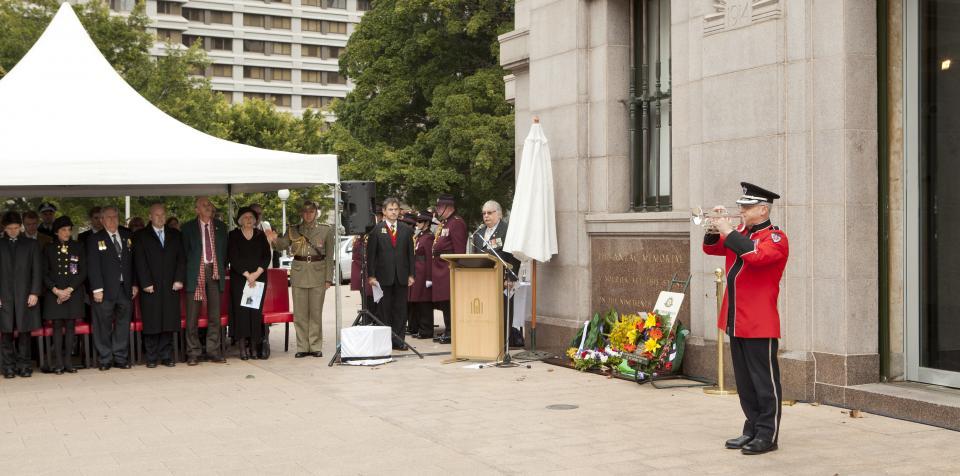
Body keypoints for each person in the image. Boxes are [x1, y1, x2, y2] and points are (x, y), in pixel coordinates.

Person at [703, 182, 789, 456]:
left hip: (759, 320)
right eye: (741, 205)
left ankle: (768, 434)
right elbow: (712, 249)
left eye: (747, 206)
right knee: (744, 381)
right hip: (735, 318)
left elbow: (755, 256)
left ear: (763, 210)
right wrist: (714, 228)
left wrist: (728, 230)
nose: (741, 209)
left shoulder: (775, 238)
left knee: (764, 382)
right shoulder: (740, 233)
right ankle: (751, 427)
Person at [266, 201, 334, 358]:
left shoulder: (325, 230)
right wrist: (274, 239)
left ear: (316, 213)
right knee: (300, 313)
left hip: (318, 272)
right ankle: (302, 346)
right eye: (305, 212)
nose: (308, 214)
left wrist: (328, 278)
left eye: (311, 212)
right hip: (299, 272)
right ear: (301, 214)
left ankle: (315, 346)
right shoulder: (294, 230)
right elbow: (282, 245)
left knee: (315, 313)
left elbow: (330, 257)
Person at [133, 203, 185, 368]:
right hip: (151, 285)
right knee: (152, 321)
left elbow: (181, 259)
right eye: (157, 215)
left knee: (168, 320)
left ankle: (166, 355)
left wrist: (179, 279)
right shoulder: (141, 235)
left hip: (171, 285)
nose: (160, 218)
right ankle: (151, 356)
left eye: (163, 215)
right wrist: (145, 282)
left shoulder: (175, 234)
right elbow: (139, 261)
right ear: (150, 217)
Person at [87, 206, 137, 371]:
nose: (113, 220)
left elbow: (133, 264)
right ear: (101, 220)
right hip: (105, 290)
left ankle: (120, 357)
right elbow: (93, 266)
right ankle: (105, 358)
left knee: (123, 324)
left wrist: (135, 284)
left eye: (115, 217)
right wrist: (96, 289)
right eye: (108, 217)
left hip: (125, 288)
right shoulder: (95, 239)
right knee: (103, 325)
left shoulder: (127, 236)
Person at [181, 196, 228, 365]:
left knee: (214, 314)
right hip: (195, 273)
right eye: (204, 205)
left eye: (209, 204)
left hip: (214, 273)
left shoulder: (221, 227)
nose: (208, 207)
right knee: (192, 315)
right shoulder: (187, 228)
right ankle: (193, 352)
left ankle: (213, 350)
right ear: (196, 210)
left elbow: (225, 253)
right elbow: (184, 254)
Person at [469, 200, 523, 346]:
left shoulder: (507, 230)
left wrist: (511, 277)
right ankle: (488, 340)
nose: (486, 216)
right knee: (486, 310)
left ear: (498, 214)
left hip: (503, 278)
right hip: (484, 279)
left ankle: (503, 343)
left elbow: (514, 256)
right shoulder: (479, 233)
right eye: (484, 213)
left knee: (503, 311)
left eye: (490, 213)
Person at [365, 197, 415, 350]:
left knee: (400, 309)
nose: (393, 212)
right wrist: (371, 276)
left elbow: (410, 255)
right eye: (390, 210)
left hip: (401, 276)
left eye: (396, 209)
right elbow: (371, 255)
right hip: (383, 277)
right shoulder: (376, 230)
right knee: (384, 310)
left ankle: (399, 341)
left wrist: (411, 274)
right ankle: (386, 340)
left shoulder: (406, 230)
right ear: (384, 212)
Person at [0, 212, 42, 378]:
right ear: (4, 227)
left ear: (21, 227)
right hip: (5, 294)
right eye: (9, 228)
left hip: (26, 293)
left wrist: (34, 292)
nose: (13, 231)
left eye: (16, 228)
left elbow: (37, 271)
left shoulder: (31, 244)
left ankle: (24, 365)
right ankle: (8, 367)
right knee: (6, 332)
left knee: (25, 332)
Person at [42, 216, 85, 375]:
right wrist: (56, 291)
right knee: (57, 327)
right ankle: (58, 363)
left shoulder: (78, 246)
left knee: (71, 327)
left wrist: (69, 290)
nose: (67, 233)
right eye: (63, 230)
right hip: (55, 295)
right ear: (56, 232)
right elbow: (44, 273)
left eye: (69, 229)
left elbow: (83, 271)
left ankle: (68, 362)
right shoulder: (49, 248)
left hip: (72, 293)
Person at [227, 207, 271, 360]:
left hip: (258, 279)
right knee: (241, 313)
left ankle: (253, 347)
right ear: (240, 220)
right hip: (240, 279)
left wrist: (256, 274)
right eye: (245, 217)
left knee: (254, 313)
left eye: (251, 217)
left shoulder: (260, 235)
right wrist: (247, 275)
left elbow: (266, 256)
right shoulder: (233, 235)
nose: (248, 219)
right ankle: (242, 348)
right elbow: (233, 257)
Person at [430, 194, 466, 344]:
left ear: (448, 207)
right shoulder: (445, 223)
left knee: (450, 302)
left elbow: (459, 249)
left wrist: (456, 267)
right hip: (441, 266)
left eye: (440, 207)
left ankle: (452, 332)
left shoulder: (456, 223)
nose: (438, 209)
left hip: (448, 267)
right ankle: (448, 330)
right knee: (445, 303)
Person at [408, 211, 434, 339]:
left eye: (420, 221)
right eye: (417, 221)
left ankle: (426, 330)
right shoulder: (420, 236)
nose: (417, 223)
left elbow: (429, 258)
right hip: (417, 273)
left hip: (424, 273)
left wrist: (429, 277)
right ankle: (420, 328)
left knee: (424, 302)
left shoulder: (429, 237)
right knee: (418, 302)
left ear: (427, 223)